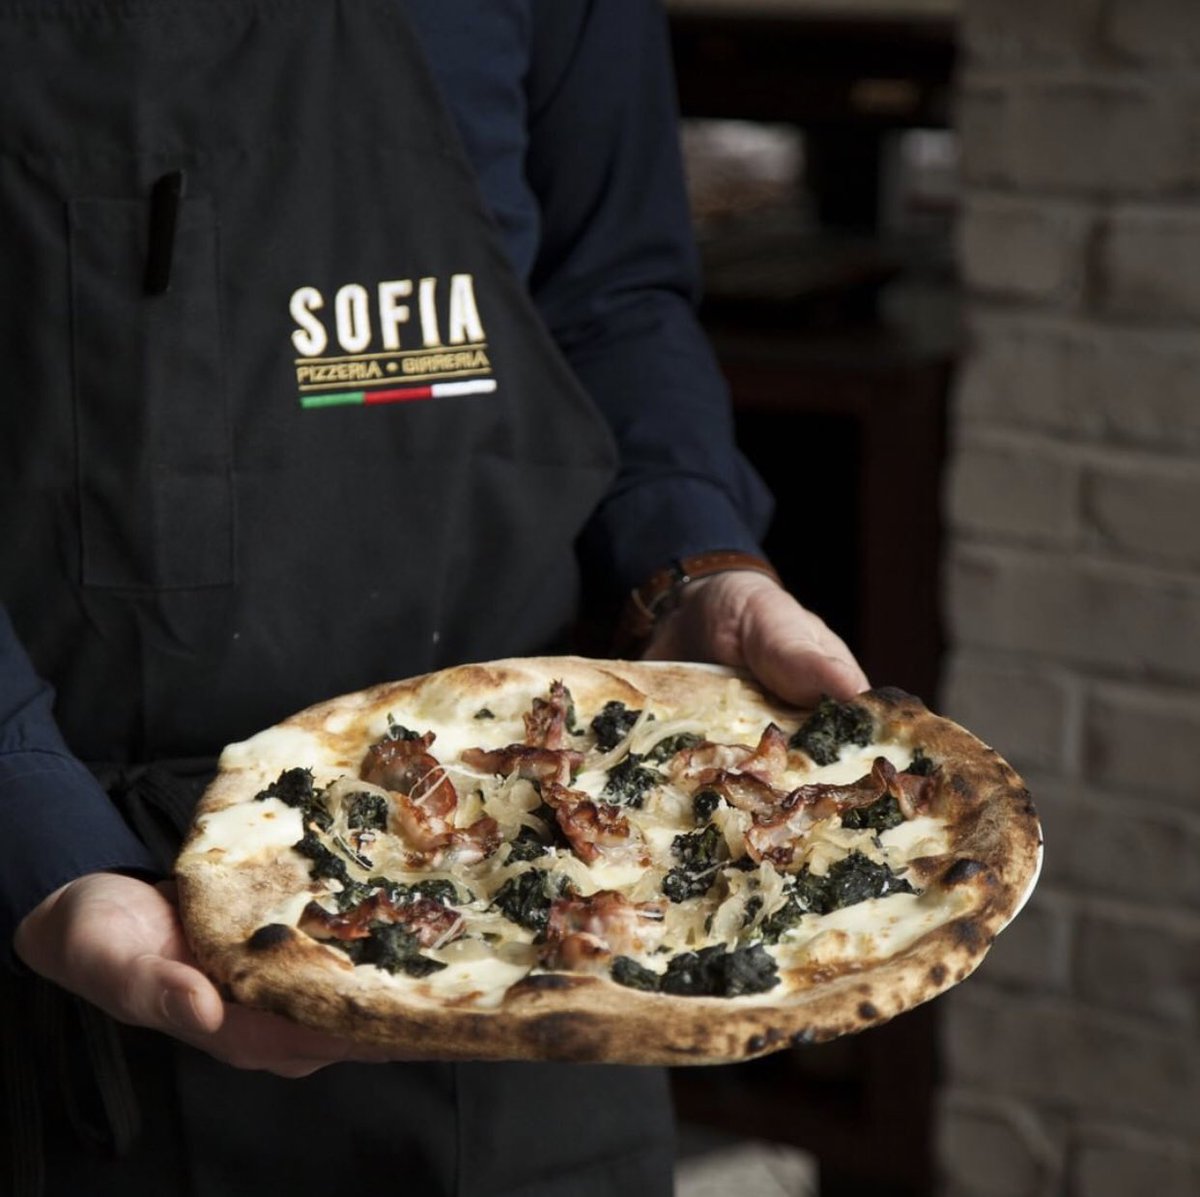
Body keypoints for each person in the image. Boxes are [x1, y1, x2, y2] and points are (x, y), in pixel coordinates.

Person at [0, 2, 868, 1194]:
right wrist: (34, 825)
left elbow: (611, 295)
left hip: (539, 911)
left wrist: (688, 568)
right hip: (57, 916)